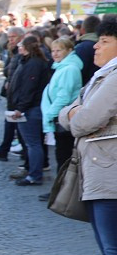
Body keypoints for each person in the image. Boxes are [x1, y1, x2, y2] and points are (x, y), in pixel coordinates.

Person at [59, 19, 117, 255]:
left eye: (104, 41)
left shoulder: (114, 77)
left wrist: (74, 116)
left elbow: (82, 120)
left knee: (114, 252)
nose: (95, 45)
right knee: (110, 253)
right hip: (100, 173)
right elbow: (69, 112)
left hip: (110, 176)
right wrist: (74, 114)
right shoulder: (102, 76)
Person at [6, 35, 51, 186]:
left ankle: (34, 175)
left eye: (21, 45)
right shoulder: (30, 61)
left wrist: (20, 108)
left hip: (31, 109)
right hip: (31, 107)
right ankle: (32, 171)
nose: (19, 47)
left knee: (33, 143)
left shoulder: (33, 64)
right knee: (32, 143)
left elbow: (28, 88)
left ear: (26, 47)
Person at [41, 36, 83, 177]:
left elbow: (63, 96)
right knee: (62, 156)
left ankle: (61, 194)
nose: (55, 53)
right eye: (53, 50)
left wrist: (49, 114)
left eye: (59, 50)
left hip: (63, 118)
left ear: (69, 51)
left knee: (63, 157)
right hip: (60, 116)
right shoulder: (63, 67)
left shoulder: (69, 69)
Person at [74, 15, 102, 85]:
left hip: (85, 89)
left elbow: (76, 73)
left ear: (82, 30)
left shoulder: (81, 48)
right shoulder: (107, 46)